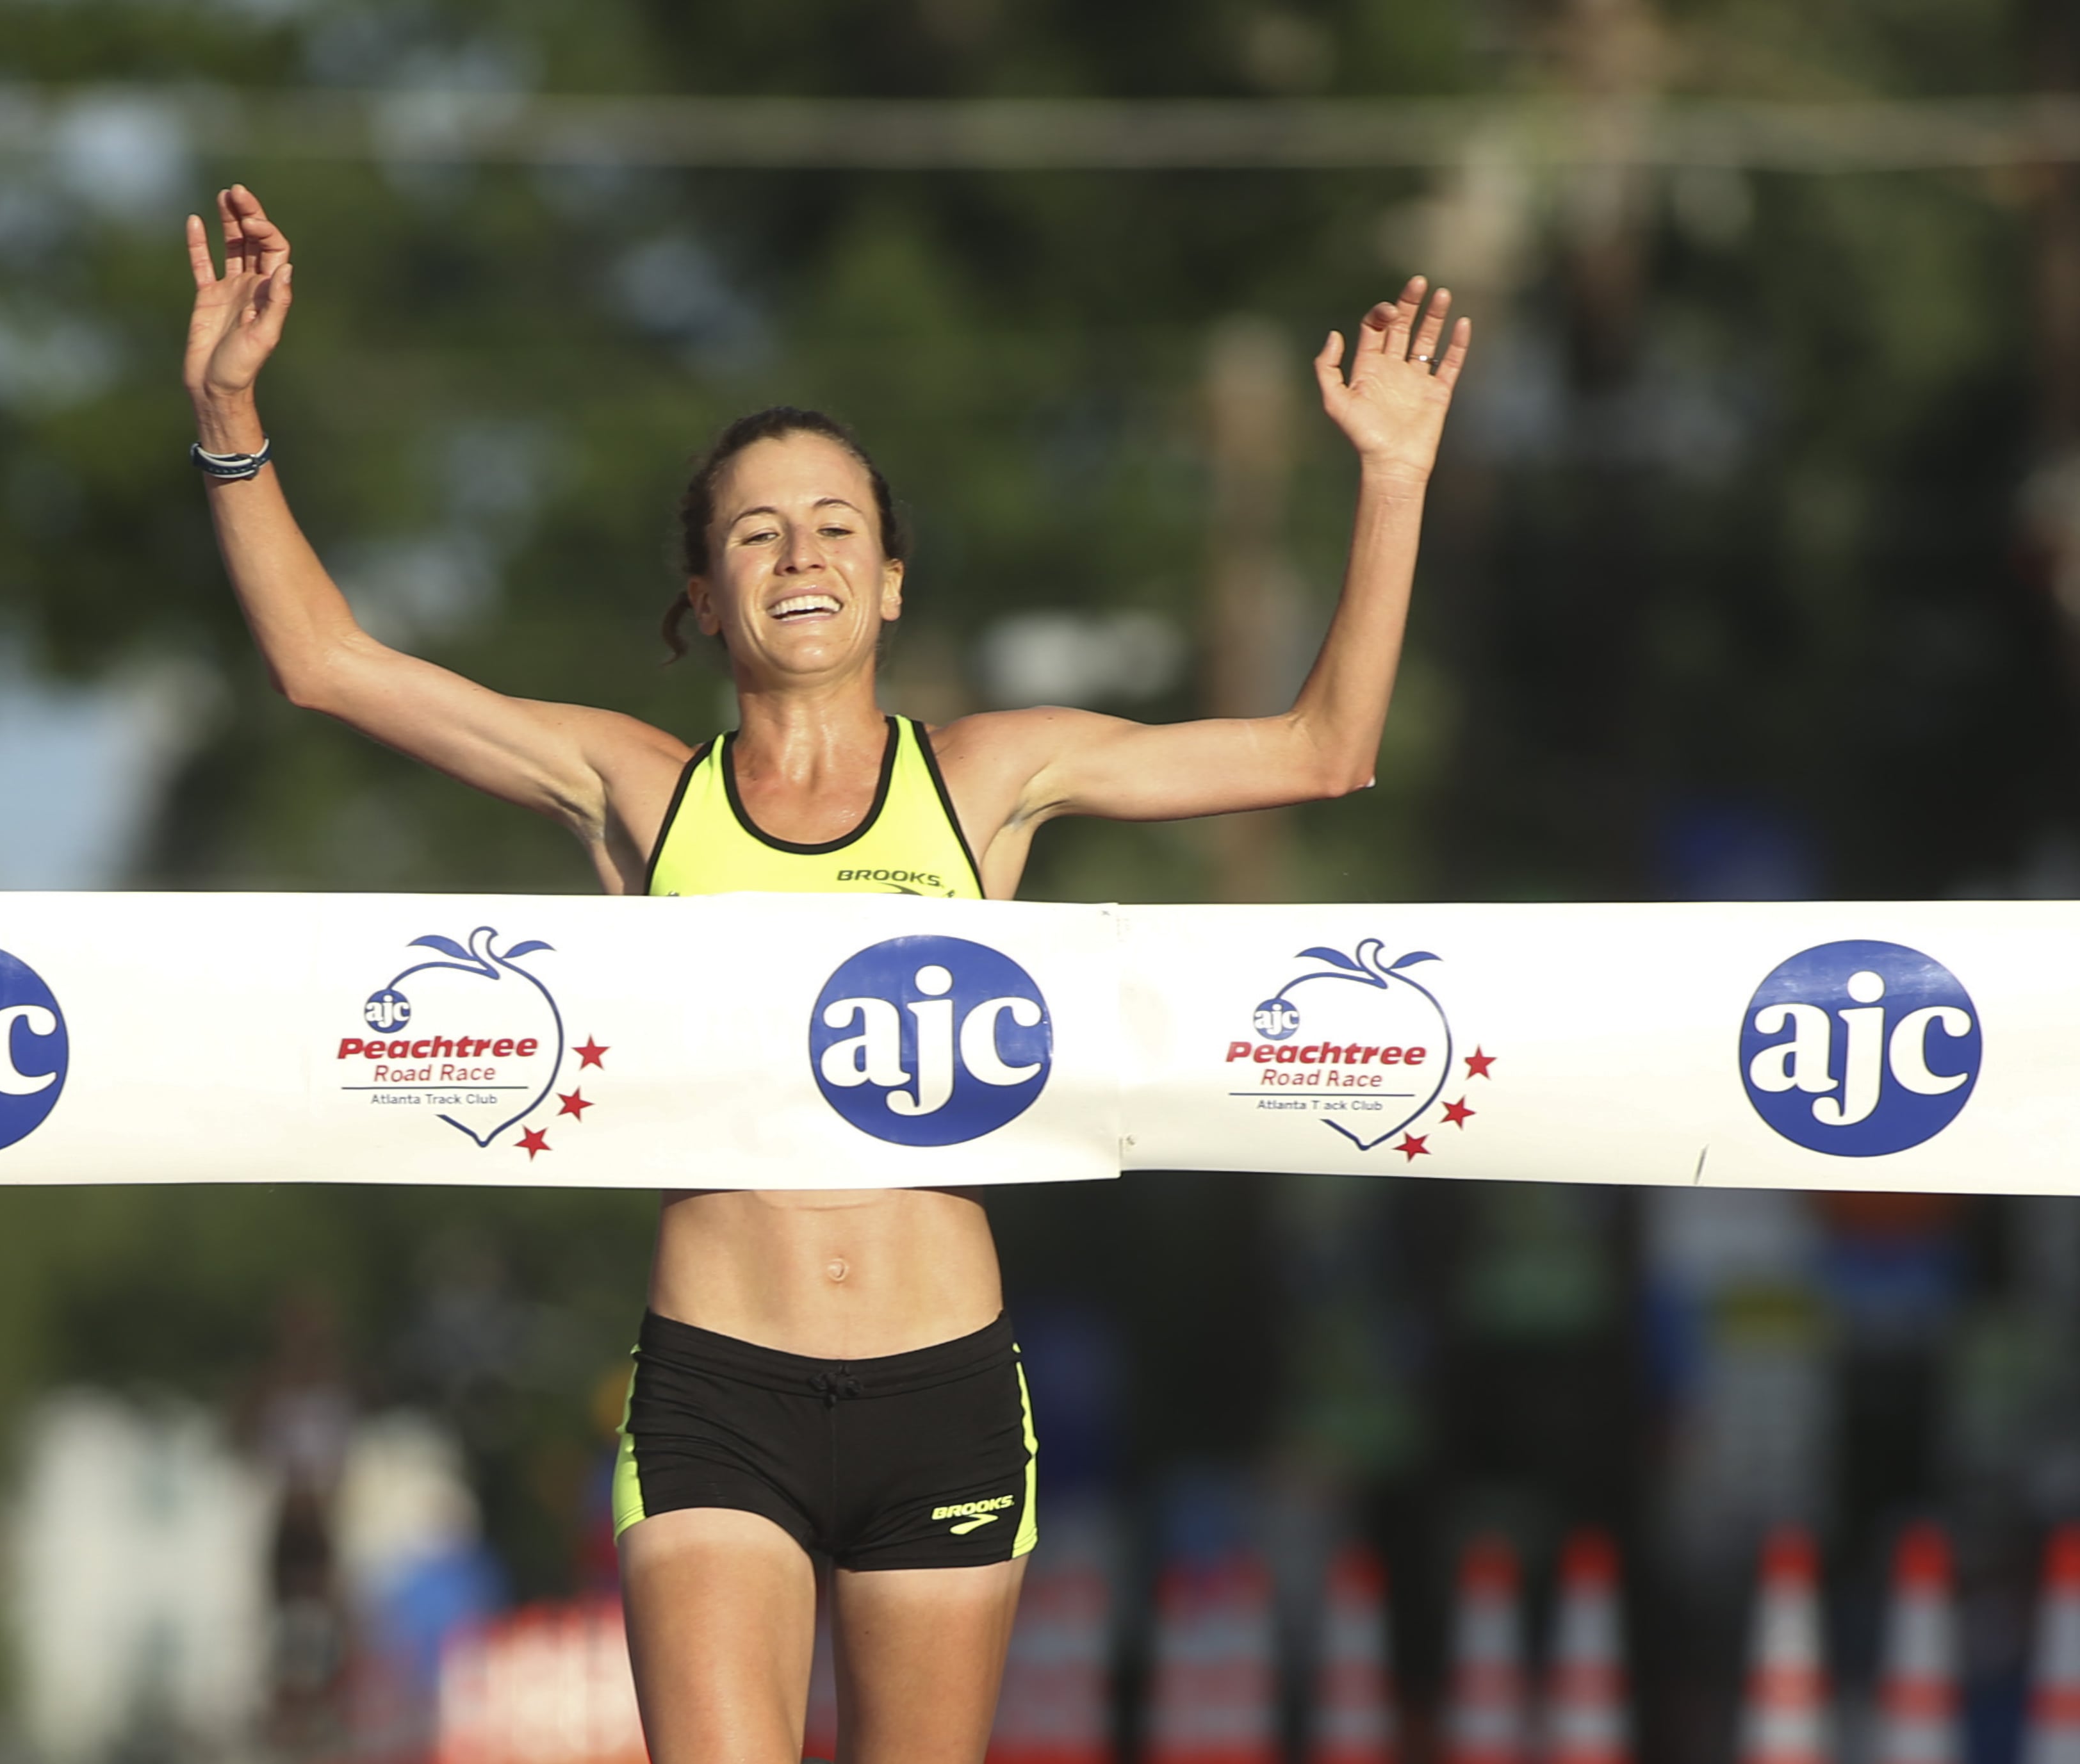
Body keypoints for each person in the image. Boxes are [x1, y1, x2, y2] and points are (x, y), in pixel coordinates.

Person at [183, 183, 1468, 1764]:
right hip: (717, 1394)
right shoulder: (640, 790)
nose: (801, 552)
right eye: (756, 531)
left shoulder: (990, 778)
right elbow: (329, 664)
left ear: (893, 582)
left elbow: (1323, 752)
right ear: (709, 595)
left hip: (944, 1388)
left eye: (837, 525)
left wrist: (1394, 475)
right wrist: (230, 413)